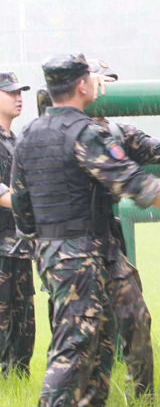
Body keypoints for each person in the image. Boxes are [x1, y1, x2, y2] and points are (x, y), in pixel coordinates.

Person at [11, 53, 160, 406]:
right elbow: (132, 181)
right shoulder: (83, 134)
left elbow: (22, 206)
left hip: (81, 249)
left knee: (101, 340)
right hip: (77, 255)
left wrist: (46, 239)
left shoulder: (28, 134)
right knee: (73, 347)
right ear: (84, 85)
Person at [0, 72, 34, 378]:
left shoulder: (18, 141)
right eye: (10, 92)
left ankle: (18, 380)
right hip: (1, 248)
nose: (18, 96)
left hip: (21, 246)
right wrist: (35, 204)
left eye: (20, 91)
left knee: (25, 321)